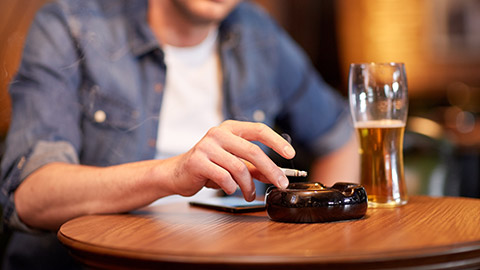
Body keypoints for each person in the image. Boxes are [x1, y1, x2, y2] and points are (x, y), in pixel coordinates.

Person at [0, 0, 359, 269]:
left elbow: (341, 137)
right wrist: (173, 173)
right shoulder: (71, 23)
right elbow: (29, 196)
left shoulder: (257, 33)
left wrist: (314, 245)